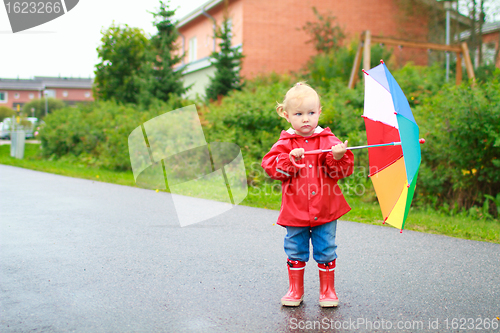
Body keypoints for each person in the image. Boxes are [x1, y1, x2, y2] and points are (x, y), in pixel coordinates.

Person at [261, 82, 354, 307]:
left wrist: (339, 156)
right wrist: (289, 159)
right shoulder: (285, 143)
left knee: (326, 247)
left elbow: (342, 171)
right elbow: (271, 167)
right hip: (295, 209)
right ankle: (295, 290)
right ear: (286, 115)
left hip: (326, 208)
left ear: (319, 112)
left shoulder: (329, 141)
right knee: (295, 247)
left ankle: (327, 290)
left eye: (311, 113)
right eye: (299, 114)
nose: (306, 119)